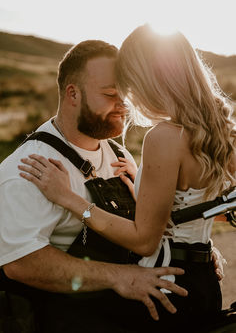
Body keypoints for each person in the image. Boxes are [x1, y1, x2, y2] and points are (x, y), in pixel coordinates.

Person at [19, 25, 236, 333]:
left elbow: (145, 240)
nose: (128, 99)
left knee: (60, 311)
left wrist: (69, 199)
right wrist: (141, 182)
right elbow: (191, 206)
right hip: (202, 282)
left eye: (129, 86)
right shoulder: (222, 131)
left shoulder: (163, 136)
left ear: (147, 79)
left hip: (166, 284)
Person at [0, 39, 189, 333]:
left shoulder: (118, 154)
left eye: (125, 94)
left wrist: (194, 251)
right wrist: (120, 276)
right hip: (60, 320)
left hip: (117, 313)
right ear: (72, 94)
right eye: (111, 94)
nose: (123, 105)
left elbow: (146, 228)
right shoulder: (28, 168)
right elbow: (22, 263)